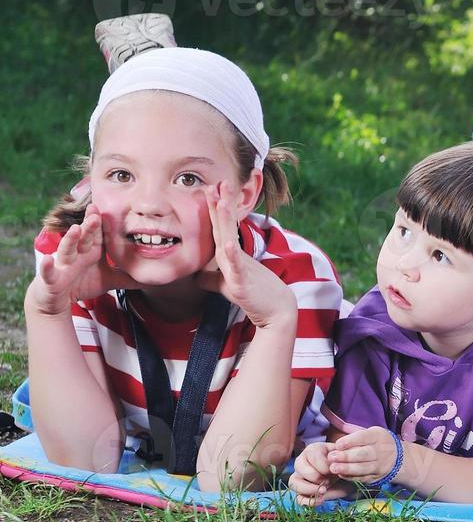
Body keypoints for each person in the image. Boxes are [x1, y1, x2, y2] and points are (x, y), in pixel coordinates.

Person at [25, 46, 343, 491]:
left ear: (245, 192)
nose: (150, 205)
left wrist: (275, 321)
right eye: (121, 175)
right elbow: (84, 459)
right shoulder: (73, 261)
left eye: (188, 178)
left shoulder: (295, 279)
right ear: (90, 182)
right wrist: (48, 311)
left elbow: (234, 477)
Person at [288, 142, 473, 506]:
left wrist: (402, 460)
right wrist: (332, 471)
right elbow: (352, 453)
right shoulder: (374, 326)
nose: (404, 265)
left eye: (440, 255)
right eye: (404, 231)